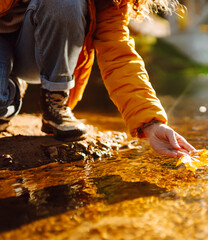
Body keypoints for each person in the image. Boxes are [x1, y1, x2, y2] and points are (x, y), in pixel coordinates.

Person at [0, 0, 195, 157]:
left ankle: (55, 103)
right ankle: (8, 93)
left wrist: (151, 124)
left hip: (38, 55)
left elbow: (118, 55)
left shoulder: (110, 2)